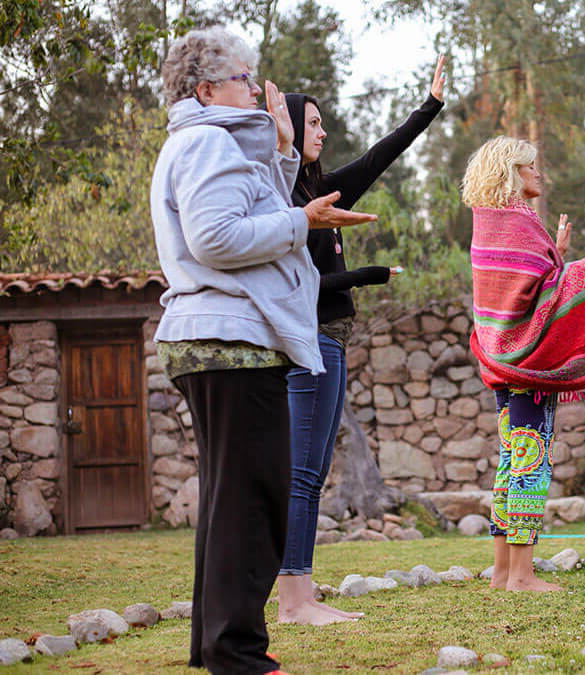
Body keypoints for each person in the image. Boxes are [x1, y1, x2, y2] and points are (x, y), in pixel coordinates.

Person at [151, 27, 373, 674]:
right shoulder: (205, 142)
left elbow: (249, 210)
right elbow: (217, 237)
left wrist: (281, 158)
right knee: (254, 498)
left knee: (233, 499)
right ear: (206, 89)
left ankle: (218, 646)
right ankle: (239, 653)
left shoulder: (212, 144)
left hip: (225, 341)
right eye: (245, 78)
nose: (256, 87)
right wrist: (304, 221)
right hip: (230, 343)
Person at [275, 56, 446, 626]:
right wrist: (364, 277)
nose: (324, 132)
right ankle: (293, 599)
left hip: (334, 341)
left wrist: (430, 106)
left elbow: (381, 154)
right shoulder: (285, 205)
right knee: (301, 471)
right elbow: (295, 285)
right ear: (290, 128)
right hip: (308, 340)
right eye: (315, 123)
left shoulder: (325, 189)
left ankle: (303, 587)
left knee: (316, 470)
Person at [462, 136, 585, 592]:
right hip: (530, 362)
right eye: (531, 166)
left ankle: (501, 572)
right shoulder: (517, 220)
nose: (538, 173)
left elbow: (520, 287)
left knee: (511, 460)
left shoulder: (489, 221)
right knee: (531, 461)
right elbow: (539, 293)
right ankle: (522, 575)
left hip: (498, 357)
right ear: (512, 171)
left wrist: (557, 252)